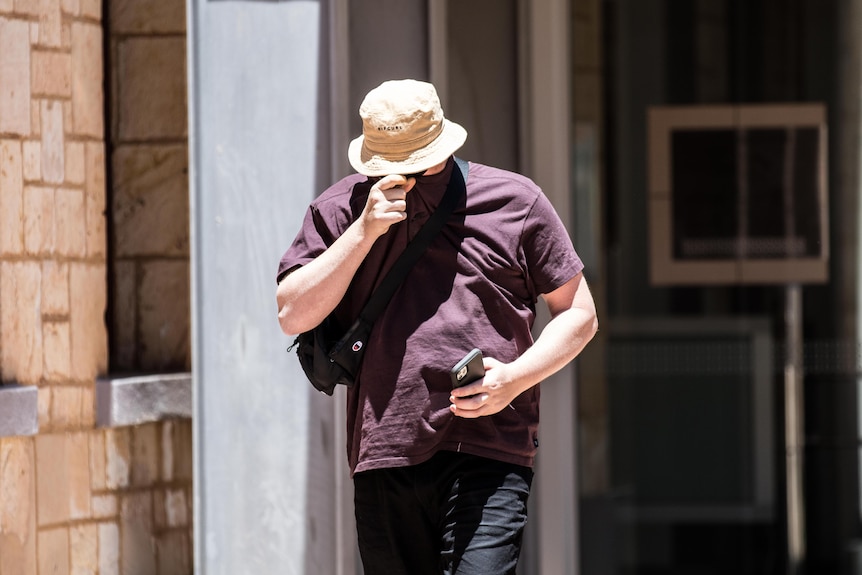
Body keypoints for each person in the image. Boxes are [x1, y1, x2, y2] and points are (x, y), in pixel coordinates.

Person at [276, 79, 597, 575]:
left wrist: (514, 378)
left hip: (487, 443)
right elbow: (292, 313)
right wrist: (363, 231)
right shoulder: (340, 209)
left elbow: (579, 312)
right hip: (384, 449)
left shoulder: (515, 201)